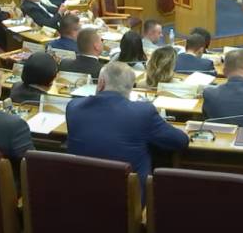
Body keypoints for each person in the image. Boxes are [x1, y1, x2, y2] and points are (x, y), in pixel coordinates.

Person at [66, 61, 189, 194]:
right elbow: (180, 141)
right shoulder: (143, 112)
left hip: (80, 193)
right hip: (129, 199)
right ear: (130, 88)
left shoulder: (73, 107)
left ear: (101, 83)